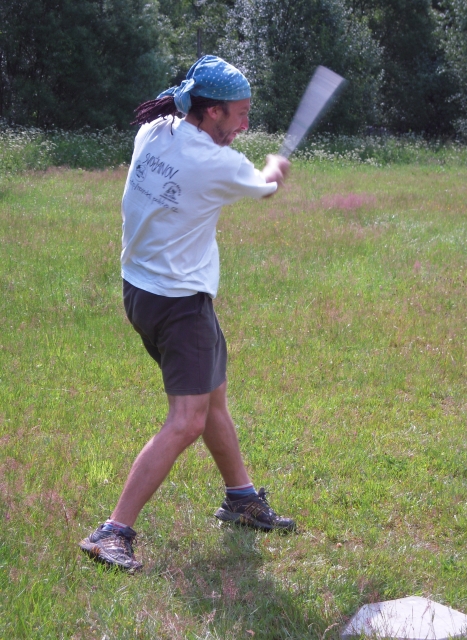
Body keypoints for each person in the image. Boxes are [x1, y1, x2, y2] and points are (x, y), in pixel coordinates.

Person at [79, 55, 294, 571]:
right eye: (240, 114)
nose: (245, 124)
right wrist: (275, 167)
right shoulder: (215, 163)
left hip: (141, 291)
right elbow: (265, 185)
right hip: (180, 304)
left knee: (212, 397)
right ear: (213, 111)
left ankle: (241, 499)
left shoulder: (154, 130)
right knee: (187, 420)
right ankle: (112, 531)